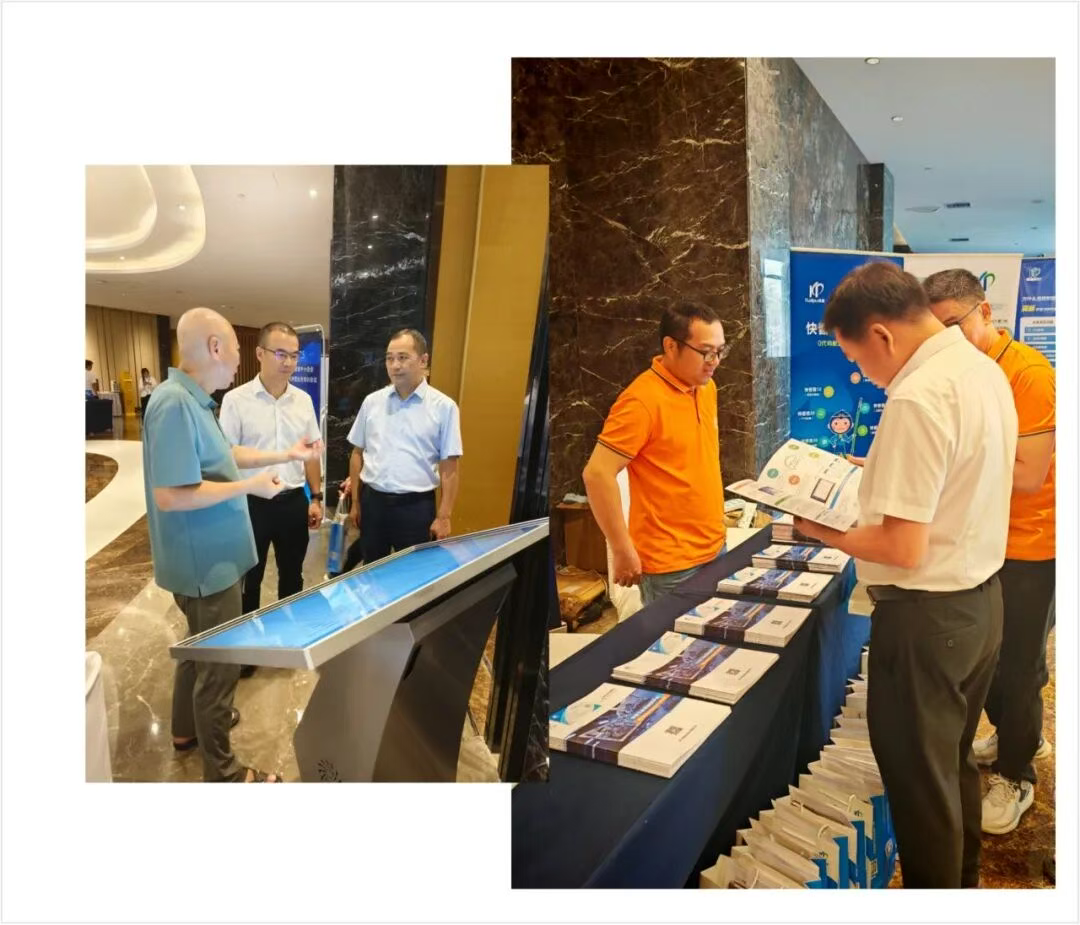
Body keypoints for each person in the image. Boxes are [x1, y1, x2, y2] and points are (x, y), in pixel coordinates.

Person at [792, 261, 1017, 888]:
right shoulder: (981, 368)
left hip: (927, 621)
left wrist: (817, 527)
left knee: (920, 789)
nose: (864, 374)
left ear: (881, 335)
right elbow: (959, 472)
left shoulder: (917, 396)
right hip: (980, 605)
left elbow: (902, 546)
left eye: (857, 359)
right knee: (952, 767)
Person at [142, 307, 321, 782]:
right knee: (218, 668)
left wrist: (286, 454)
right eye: (240, 351)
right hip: (206, 564)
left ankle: (187, 730)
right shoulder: (173, 404)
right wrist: (249, 487)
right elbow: (170, 495)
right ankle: (224, 773)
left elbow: (228, 453)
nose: (240, 360)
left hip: (212, 559)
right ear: (215, 347)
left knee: (198, 650)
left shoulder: (194, 401)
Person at [924, 268, 1056, 835]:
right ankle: (1014, 736)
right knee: (994, 656)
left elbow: (1028, 475)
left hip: (1033, 542)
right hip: (986, 537)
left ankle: (1017, 775)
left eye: (954, 324)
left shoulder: (1027, 373)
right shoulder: (962, 371)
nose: (946, 338)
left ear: (985, 312)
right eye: (935, 329)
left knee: (1019, 662)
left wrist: (941, 473)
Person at [582, 302, 730, 606]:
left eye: (720, 351)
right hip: (671, 565)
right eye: (706, 352)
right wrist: (622, 549)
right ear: (671, 346)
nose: (714, 362)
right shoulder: (641, 401)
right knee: (675, 639)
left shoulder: (706, 388)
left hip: (716, 547)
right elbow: (597, 474)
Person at [220, 322, 323, 679]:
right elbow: (226, 455)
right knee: (249, 579)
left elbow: (311, 453)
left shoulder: (303, 400)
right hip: (251, 504)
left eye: (294, 355)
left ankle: (287, 643)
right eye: (281, 354)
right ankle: (248, 649)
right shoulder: (236, 400)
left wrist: (316, 497)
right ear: (259, 354)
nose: (289, 362)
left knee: (292, 576)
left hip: (293, 501)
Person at [343, 329, 461, 567]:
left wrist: (444, 516)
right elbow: (357, 453)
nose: (395, 365)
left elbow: (450, 465)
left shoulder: (444, 407)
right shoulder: (372, 402)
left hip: (415, 508)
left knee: (413, 573)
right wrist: (356, 502)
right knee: (372, 570)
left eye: (403, 357)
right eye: (390, 358)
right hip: (373, 503)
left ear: (423, 360)